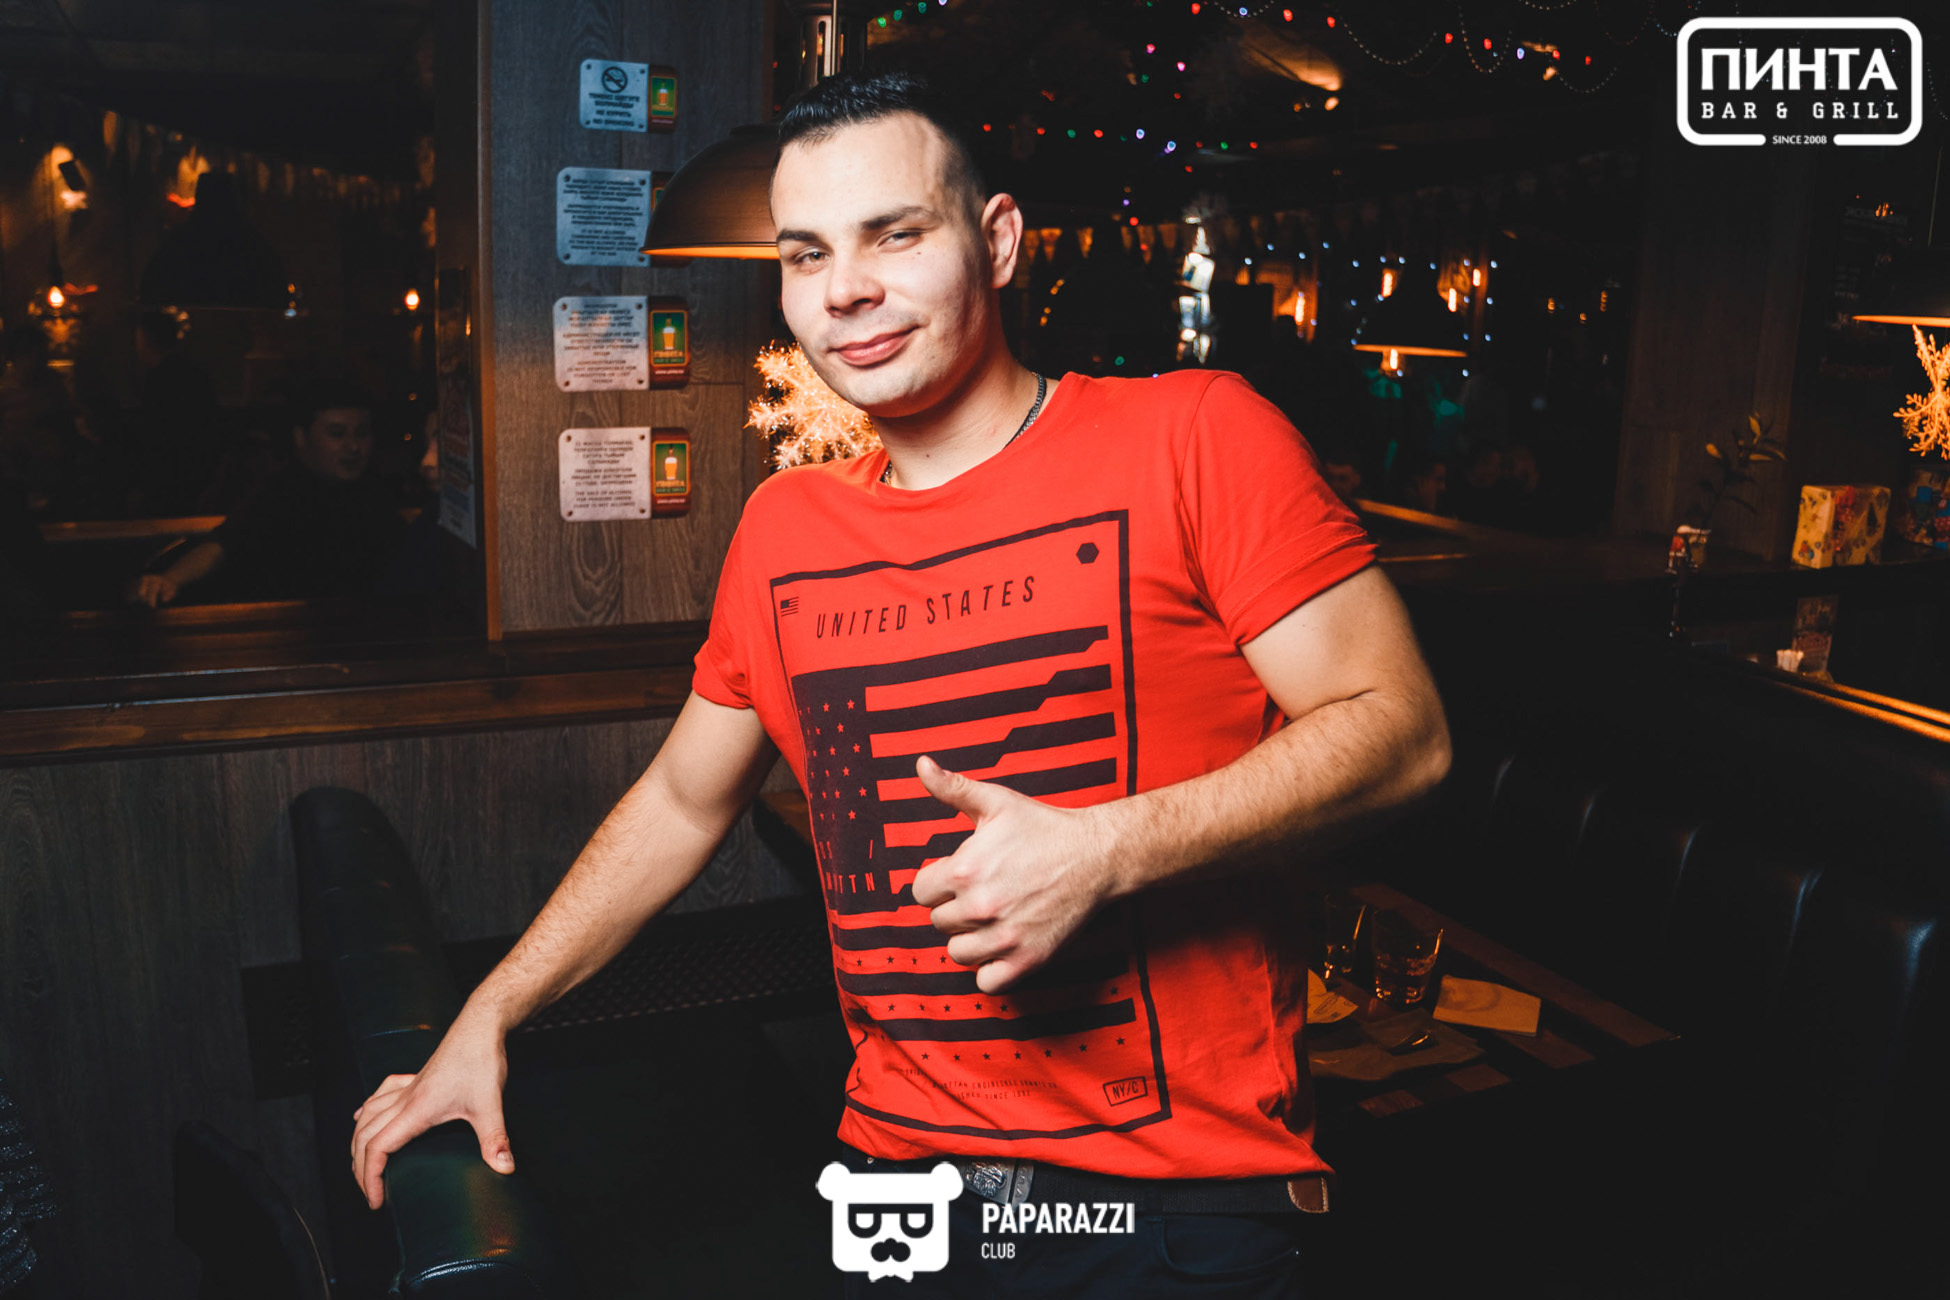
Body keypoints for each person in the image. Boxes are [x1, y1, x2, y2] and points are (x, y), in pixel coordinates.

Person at [348, 71, 1450, 1296]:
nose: (845, 290)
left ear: (999, 241)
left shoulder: (1193, 437)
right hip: (898, 1185)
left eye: (896, 234)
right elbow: (680, 803)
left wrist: (1107, 849)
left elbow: (1402, 730)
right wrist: (486, 1016)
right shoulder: (785, 529)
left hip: (1170, 1202)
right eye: (806, 253)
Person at [127, 383, 402, 606]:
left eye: (362, 433)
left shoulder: (375, 493)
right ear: (301, 438)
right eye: (337, 434)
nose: (353, 447)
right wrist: (170, 579)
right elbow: (224, 544)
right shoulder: (280, 492)